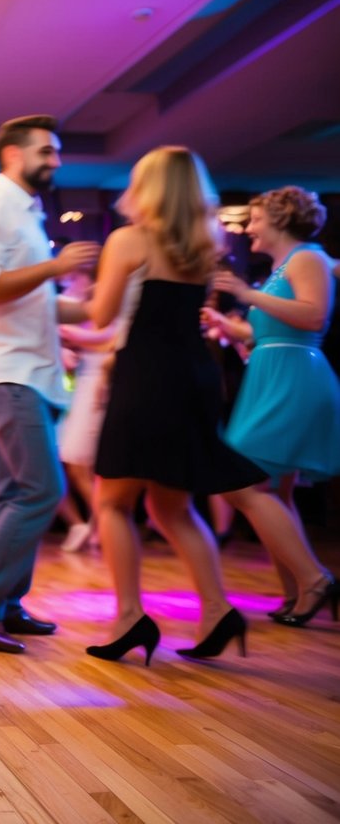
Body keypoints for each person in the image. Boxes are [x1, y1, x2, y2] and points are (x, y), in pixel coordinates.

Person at [85, 146, 266, 665]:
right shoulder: (206, 248)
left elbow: (101, 316)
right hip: (195, 376)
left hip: (146, 376)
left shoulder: (129, 240)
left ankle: (129, 617)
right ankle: (217, 611)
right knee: (173, 505)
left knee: (113, 501)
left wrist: (47, 303)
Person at [0, 114, 100, 653]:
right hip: (3, 371)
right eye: (47, 152)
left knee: (18, 490)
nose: (56, 162)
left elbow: (34, 299)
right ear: (13, 153)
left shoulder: (26, 216)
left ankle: (7, 602)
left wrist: (92, 308)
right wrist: (57, 270)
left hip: (27, 372)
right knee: (42, 488)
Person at [201, 186, 340, 627]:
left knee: (240, 483)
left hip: (296, 378)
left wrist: (247, 293)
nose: (249, 228)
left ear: (279, 220)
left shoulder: (308, 257)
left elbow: (313, 317)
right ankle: (298, 593)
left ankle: (314, 580)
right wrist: (229, 326)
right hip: (273, 375)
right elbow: (269, 332)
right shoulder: (282, 267)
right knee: (274, 490)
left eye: (256, 219)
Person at [54, 267, 114, 553]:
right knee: (70, 461)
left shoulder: (107, 309)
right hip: (77, 389)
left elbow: (109, 339)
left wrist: (63, 331)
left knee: (82, 462)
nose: (72, 280)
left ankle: (103, 522)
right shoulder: (81, 307)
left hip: (95, 388)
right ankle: (95, 522)